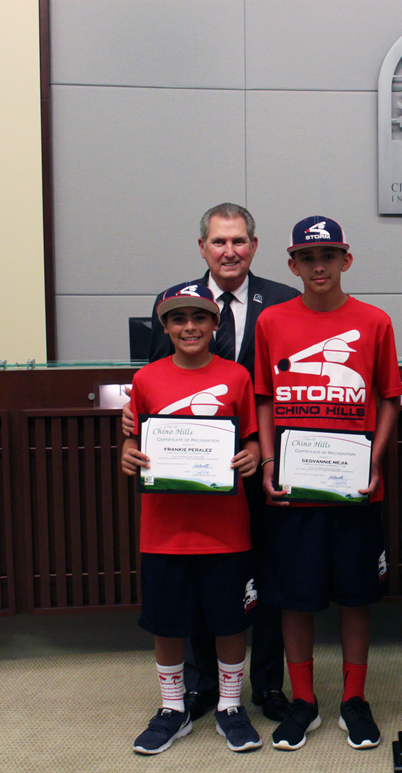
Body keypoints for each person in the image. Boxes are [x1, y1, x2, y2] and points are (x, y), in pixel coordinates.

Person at [132, 203, 298, 724]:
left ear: (254, 245)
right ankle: (207, 685)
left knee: (266, 577)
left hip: (260, 460)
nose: (230, 251)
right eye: (220, 242)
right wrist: (133, 426)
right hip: (194, 475)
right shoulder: (177, 305)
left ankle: (268, 684)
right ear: (202, 247)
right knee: (200, 575)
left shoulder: (285, 302)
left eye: (240, 241)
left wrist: (265, 454)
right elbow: (158, 385)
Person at [253, 215, 402, 752]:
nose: (319, 266)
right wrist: (269, 462)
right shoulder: (271, 322)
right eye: (308, 258)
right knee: (295, 597)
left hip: (352, 485)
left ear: (347, 260)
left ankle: (353, 699)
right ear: (292, 264)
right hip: (294, 484)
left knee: (355, 596)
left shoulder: (375, 321)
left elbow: (390, 397)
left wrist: (376, 460)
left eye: (329, 256)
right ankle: (303, 700)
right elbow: (266, 399)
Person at [121, 282, 263, 754]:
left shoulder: (237, 376)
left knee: (229, 622)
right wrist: (126, 452)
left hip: (224, 529)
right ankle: (172, 708)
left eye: (199, 318)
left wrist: (251, 456)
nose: (189, 327)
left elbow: (254, 440)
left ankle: (228, 705)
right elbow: (135, 438)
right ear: (164, 327)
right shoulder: (147, 379)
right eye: (178, 319)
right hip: (163, 529)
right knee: (167, 622)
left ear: (214, 324)